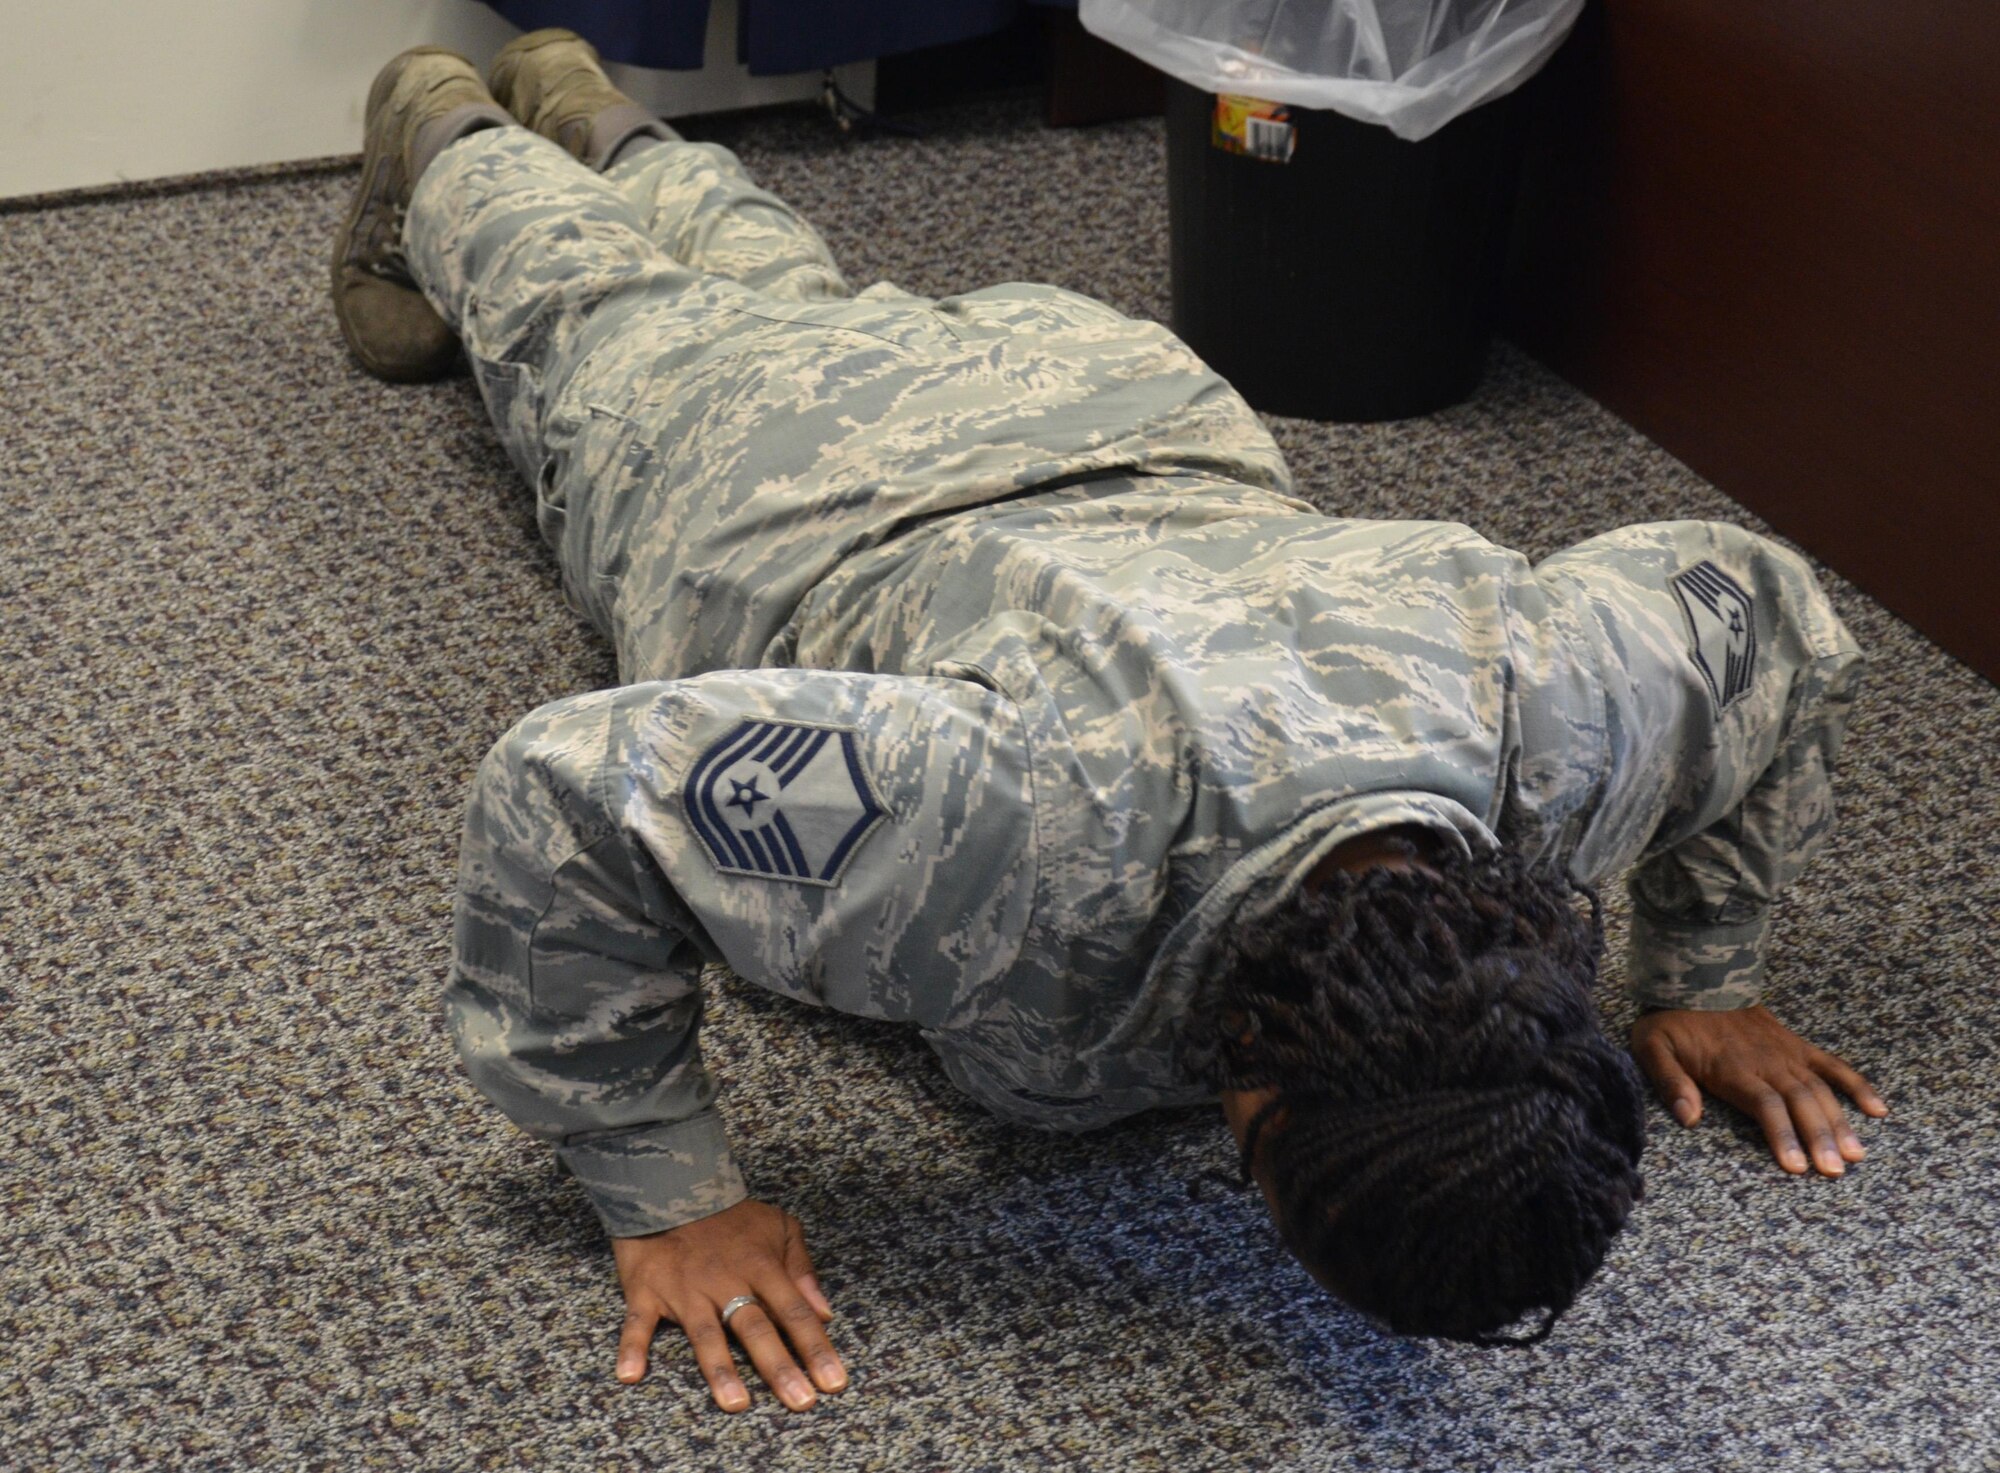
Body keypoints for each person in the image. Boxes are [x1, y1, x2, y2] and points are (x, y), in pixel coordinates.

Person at [333, 32, 1889, 1413]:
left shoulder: (1572, 729)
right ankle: (451, 122)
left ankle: (597, 111)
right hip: (802, 495)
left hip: (1104, 385)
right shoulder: (1015, 830)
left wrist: (1701, 974)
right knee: (588, 319)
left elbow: (1763, 600)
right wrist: (665, 1191)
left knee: (792, 291)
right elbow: (572, 791)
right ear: (1256, 1084)